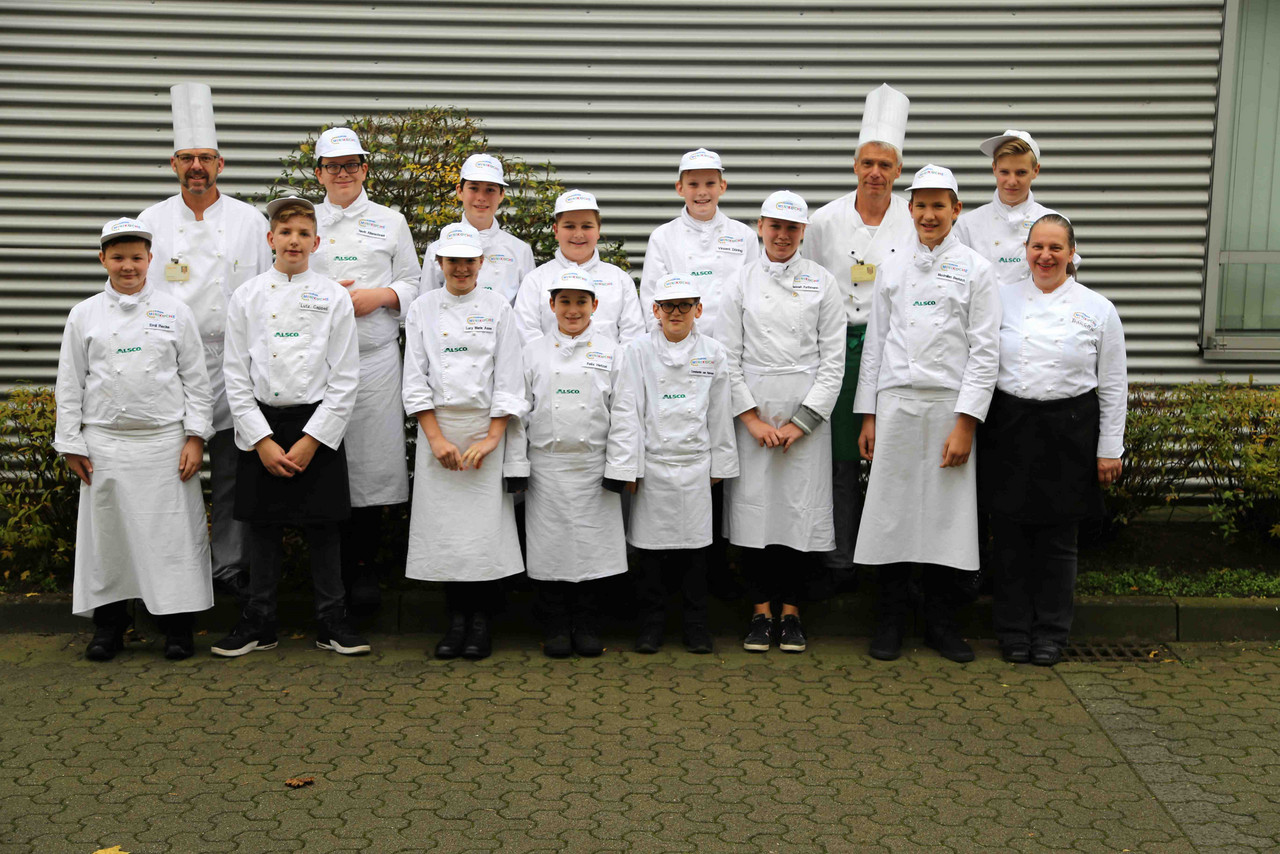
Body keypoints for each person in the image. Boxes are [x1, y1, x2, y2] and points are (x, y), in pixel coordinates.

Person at [854, 165, 1002, 664]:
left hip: (948, 407)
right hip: (896, 403)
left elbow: (985, 352)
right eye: (921, 205)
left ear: (956, 210)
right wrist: (868, 415)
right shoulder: (892, 266)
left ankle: (942, 624)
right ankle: (890, 621)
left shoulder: (978, 270)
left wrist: (967, 423)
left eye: (939, 205)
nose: (929, 214)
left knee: (946, 520)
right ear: (910, 209)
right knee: (891, 515)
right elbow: (876, 344)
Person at [54, 218, 215, 661]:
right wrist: (71, 444)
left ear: (150, 259)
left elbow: (196, 380)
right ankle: (109, 628)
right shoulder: (83, 314)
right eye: (119, 257)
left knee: (173, 538)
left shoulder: (175, 311)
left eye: (137, 258)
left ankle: (178, 629)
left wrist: (195, 437)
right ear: (102, 259)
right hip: (106, 445)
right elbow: (70, 382)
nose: (128, 266)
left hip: (165, 445)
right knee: (108, 540)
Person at [211, 196, 365, 657]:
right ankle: (259, 621)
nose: (293, 241)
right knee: (262, 529)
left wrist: (313, 440)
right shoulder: (247, 296)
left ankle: (332, 619)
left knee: (325, 529)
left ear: (316, 242)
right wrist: (260, 440)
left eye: (303, 233)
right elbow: (235, 374)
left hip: (316, 423)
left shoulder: (334, 297)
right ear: (270, 238)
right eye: (285, 232)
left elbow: (345, 377)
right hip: (263, 423)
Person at [138, 83, 272, 603]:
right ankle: (175, 568)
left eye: (206, 158)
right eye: (188, 158)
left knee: (234, 473)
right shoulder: (151, 223)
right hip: (171, 368)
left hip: (233, 363)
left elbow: (265, 295)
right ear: (174, 164)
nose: (197, 167)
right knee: (174, 472)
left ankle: (229, 567)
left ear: (221, 164)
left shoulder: (250, 221)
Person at [979, 214, 1127, 666]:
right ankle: (1012, 631)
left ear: (1071, 253)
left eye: (1055, 248)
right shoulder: (999, 300)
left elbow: (1113, 384)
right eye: (1037, 247)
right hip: (1009, 426)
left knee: (1059, 542)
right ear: (1026, 251)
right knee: (1008, 537)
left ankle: (1051, 633)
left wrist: (1110, 448)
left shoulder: (1098, 308)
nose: (1045, 256)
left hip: (1070, 430)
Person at [719, 191, 845, 654]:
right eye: (775, 226)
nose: (783, 235)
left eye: (792, 228)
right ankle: (759, 612)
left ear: (803, 232)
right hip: (753, 412)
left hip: (805, 416)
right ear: (760, 227)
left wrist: (802, 422)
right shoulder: (739, 282)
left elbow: (833, 361)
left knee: (799, 516)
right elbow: (727, 356)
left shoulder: (823, 282)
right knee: (754, 515)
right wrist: (751, 419)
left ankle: (791, 613)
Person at [803, 84, 917, 586]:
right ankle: (839, 558)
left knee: (892, 457)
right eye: (867, 162)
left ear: (898, 170)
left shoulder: (914, 218)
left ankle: (888, 560)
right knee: (839, 461)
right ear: (854, 166)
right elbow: (807, 285)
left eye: (885, 164)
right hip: (838, 350)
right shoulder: (824, 220)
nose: (875, 172)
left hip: (895, 350)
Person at [403, 222, 528, 661]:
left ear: (481, 263)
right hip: (438, 433)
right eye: (452, 261)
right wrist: (435, 438)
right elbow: (414, 378)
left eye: (468, 261)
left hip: (484, 433)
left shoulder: (498, 308)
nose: (460, 268)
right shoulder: (422, 309)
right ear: (439, 263)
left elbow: (509, 377)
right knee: (447, 535)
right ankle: (455, 621)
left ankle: (481, 623)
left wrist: (493, 437)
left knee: (484, 534)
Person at [309, 127, 422, 614]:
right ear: (319, 173)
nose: (343, 173)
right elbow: (282, 280)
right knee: (324, 463)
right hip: (315, 364)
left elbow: (415, 284)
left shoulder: (391, 221)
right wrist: (326, 299)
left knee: (372, 469)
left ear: (365, 169)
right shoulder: (304, 220)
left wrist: (380, 295)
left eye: (351, 164)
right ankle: (328, 577)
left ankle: (364, 570)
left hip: (375, 361)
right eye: (333, 166)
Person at [505, 268, 636, 657]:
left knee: (593, 550)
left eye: (581, 302)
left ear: (595, 305)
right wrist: (516, 468)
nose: (573, 310)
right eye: (564, 301)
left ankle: (589, 624)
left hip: (594, 467)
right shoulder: (531, 352)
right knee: (550, 550)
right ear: (551, 305)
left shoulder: (613, 352)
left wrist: (620, 468)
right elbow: (518, 416)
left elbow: (625, 413)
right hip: (546, 469)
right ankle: (556, 625)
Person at [619, 274, 738, 654]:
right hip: (653, 466)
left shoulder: (714, 352)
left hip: (695, 465)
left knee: (695, 555)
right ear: (655, 310)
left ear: (698, 310)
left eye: (684, 305)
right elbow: (629, 412)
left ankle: (696, 626)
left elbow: (719, 413)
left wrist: (720, 465)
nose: (676, 313)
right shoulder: (636, 351)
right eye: (668, 306)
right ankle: (651, 626)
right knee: (650, 556)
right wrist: (630, 468)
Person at [638, 148, 759, 338]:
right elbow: (651, 299)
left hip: (731, 342)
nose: (702, 192)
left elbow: (753, 295)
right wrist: (663, 345)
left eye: (710, 183)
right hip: (678, 342)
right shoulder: (662, 237)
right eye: (693, 184)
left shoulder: (744, 236)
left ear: (722, 186)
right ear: (680, 188)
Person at [512, 189, 645, 345]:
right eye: (569, 226)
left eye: (587, 226)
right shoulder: (535, 280)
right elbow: (526, 334)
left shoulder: (620, 280)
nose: (578, 234)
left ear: (598, 230)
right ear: (556, 230)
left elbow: (633, 337)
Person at [954, 130, 1067, 288]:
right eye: (1005, 172)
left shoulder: (1057, 224)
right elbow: (957, 283)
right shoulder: (967, 225)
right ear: (994, 168)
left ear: (1035, 171)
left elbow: (1064, 284)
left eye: (1021, 173)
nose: (1012, 181)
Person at [420, 153, 536, 304]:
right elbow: (426, 306)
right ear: (460, 191)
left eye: (490, 190)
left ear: (501, 195)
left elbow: (528, 309)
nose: (481, 197)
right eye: (474, 188)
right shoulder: (437, 250)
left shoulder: (521, 251)